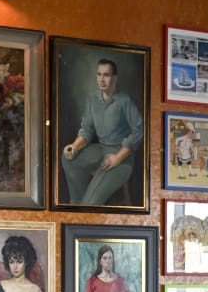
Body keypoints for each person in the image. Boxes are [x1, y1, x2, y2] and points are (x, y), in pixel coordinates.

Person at [59, 58, 144, 207]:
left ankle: (85, 206)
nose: (101, 79)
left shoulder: (124, 101)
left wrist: (118, 157)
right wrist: (74, 146)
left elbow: (139, 131)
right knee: (68, 158)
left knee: (90, 202)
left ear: (115, 78)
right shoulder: (92, 99)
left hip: (121, 157)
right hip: (100, 150)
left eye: (106, 75)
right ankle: (76, 205)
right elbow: (87, 129)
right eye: (99, 74)